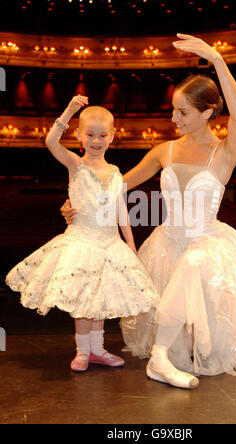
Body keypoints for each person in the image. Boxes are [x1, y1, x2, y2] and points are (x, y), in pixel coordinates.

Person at [61, 35, 236, 388]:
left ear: (208, 112)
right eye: (173, 109)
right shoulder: (165, 150)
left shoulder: (227, 151)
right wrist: (75, 201)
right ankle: (161, 356)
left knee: (196, 262)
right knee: (185, 268)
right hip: (167, 244)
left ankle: (160, 357)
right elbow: (114, 186)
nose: (173, 118)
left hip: (207, 243)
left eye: (182, 112)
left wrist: (217, 59)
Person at [5, 96, 159, 372]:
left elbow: (120, 209)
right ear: (79, 135)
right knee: (82, 301)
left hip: (110, 243)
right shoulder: (75, 164)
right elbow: (51, 142)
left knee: (99, 300)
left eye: (102, 135)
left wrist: (131, 245)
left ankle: (98, 350)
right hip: (82, 241)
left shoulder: (114, 172)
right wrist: (69, 110)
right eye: (90, 134)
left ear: (112, 137)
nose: (96, 141)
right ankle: (82, 351)